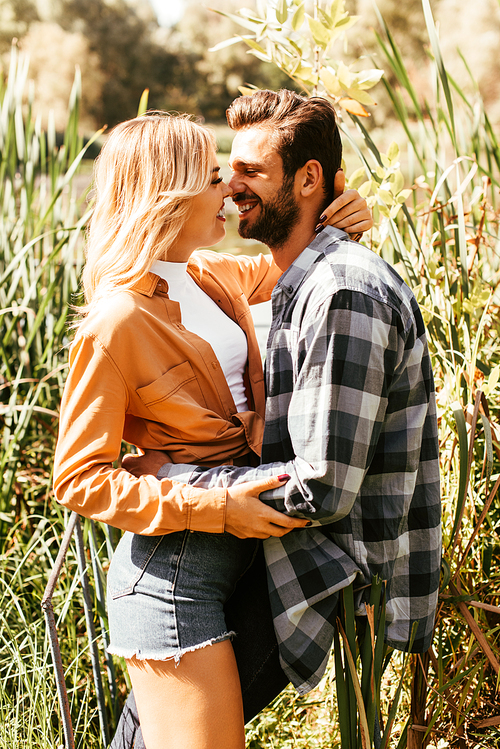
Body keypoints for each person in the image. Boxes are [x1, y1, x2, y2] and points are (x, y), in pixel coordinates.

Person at [122, 88, 442, 738]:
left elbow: (323, 485)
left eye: (249, 172)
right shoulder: (289, 274)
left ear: (308, 179)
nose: (228, 186)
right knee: (147, 729)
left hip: (313, 568)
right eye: (225, 170)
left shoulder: (343, 290)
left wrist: (184, 483)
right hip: (267, 551)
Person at [53, 110, 372, 749]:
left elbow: (306, 258)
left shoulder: (213, 277)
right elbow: (78, 480)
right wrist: (218, 506)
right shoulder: (116, 322)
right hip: (174, 577)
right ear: (166, 194)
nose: (227, 187)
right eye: (209, 175)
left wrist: (345, 211)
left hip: (236, 561)